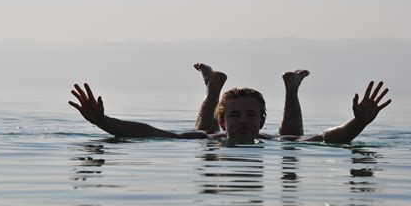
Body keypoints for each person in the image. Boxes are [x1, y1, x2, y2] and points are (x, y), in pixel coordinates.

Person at [68, 63, 391, 145]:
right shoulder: (206, 136)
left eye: (251, 115)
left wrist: (359, 123)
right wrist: (102, 120)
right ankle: (214, 87)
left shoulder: (270, 139)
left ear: (261, 121)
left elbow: (324, 139)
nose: (243, 121)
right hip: (211, 141)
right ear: (224, 122)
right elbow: (148, 132)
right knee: (202, 138)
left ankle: (291, 88)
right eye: (234, 116)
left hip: (273, 141)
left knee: (291, 143)